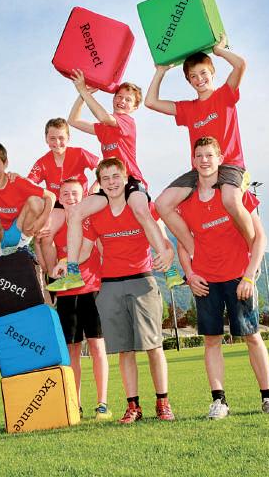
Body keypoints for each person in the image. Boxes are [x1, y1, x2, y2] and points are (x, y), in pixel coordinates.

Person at [53, 158, 176, 423]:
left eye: (115, 177)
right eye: (105, 178)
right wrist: (66, 263)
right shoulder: (95, 213)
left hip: (142, 280)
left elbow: (161, 235)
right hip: (110, 284)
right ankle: (133, 407)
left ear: (126, 178)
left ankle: (163, 403)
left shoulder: (140, 205)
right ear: (99, 183)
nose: (111, 183)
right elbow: (85, 250)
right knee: (124, 349)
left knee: (154, 346)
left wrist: (169, 253)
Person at [177, 136, 269, 419]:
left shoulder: (236, 194)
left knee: (252, 336)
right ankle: (219, 401)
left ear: (220, 159)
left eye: (209, 155)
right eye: (199, 155)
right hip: (205, 282)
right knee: (211, 341)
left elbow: (260, 238)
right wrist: (190, 274)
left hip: (238, 278)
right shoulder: (185, 202)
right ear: (193, 160)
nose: (204, 160)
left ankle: (268, 397)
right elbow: (182, 244)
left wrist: (249, 276)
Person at [49, 70, 177, 293]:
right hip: (109, 185)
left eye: (128, 99)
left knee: (141, 210)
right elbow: (73, 121)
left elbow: (104, 117)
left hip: (130, 181)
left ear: (134, 107)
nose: (122, 101)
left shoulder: (127, 122)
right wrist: (83, 95)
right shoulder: (104, 129)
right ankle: (73, 272)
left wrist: (82, 89)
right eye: (119, 96)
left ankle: (170, 270)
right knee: (76, 212)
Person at [144, 34, 253, 258]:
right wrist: (160, 71)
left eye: (203, 73)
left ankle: (253, 249)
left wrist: (219, 51)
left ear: (212, 73)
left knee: (230, 199)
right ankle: (198, 254)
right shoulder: (189, 109)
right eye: (193, 76)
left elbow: (241, 64)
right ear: (189, 81)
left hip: (229, 165)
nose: (199, 79)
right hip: (200, 171)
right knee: (162, 204)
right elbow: (150, 102)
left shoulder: (224, 95)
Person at [48, 179, 110, 420]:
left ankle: (102, 403)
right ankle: (76, 403)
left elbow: (100, 251)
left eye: (75, 193)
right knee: (72, 350)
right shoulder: (54, 224)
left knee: (97, 346)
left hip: (92, 289)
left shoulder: (90, 219)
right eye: (65, 194)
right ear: (59, 198)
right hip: (66, 294)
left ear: (83, 195)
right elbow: (48, 258)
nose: (70, 198)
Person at [28, 117, 99, 271]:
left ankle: (106, 269)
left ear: (68, 138)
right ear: (46, 139)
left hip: (80, 201)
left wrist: (95, 186)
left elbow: (102, 167)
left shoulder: (79, 153)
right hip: (59, 204)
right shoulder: (42, 162)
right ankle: (53, 275)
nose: (57, 142)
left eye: (61, 138)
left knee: (100, 227)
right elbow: (29, 184)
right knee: (46, 234)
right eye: (52, 138)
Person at [0, 142, 56, 259]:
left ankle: (23, 247)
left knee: (36, 202)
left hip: (17, 231)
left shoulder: (17, 182)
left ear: (5, 163)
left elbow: (51, 196)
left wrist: (43, 219)